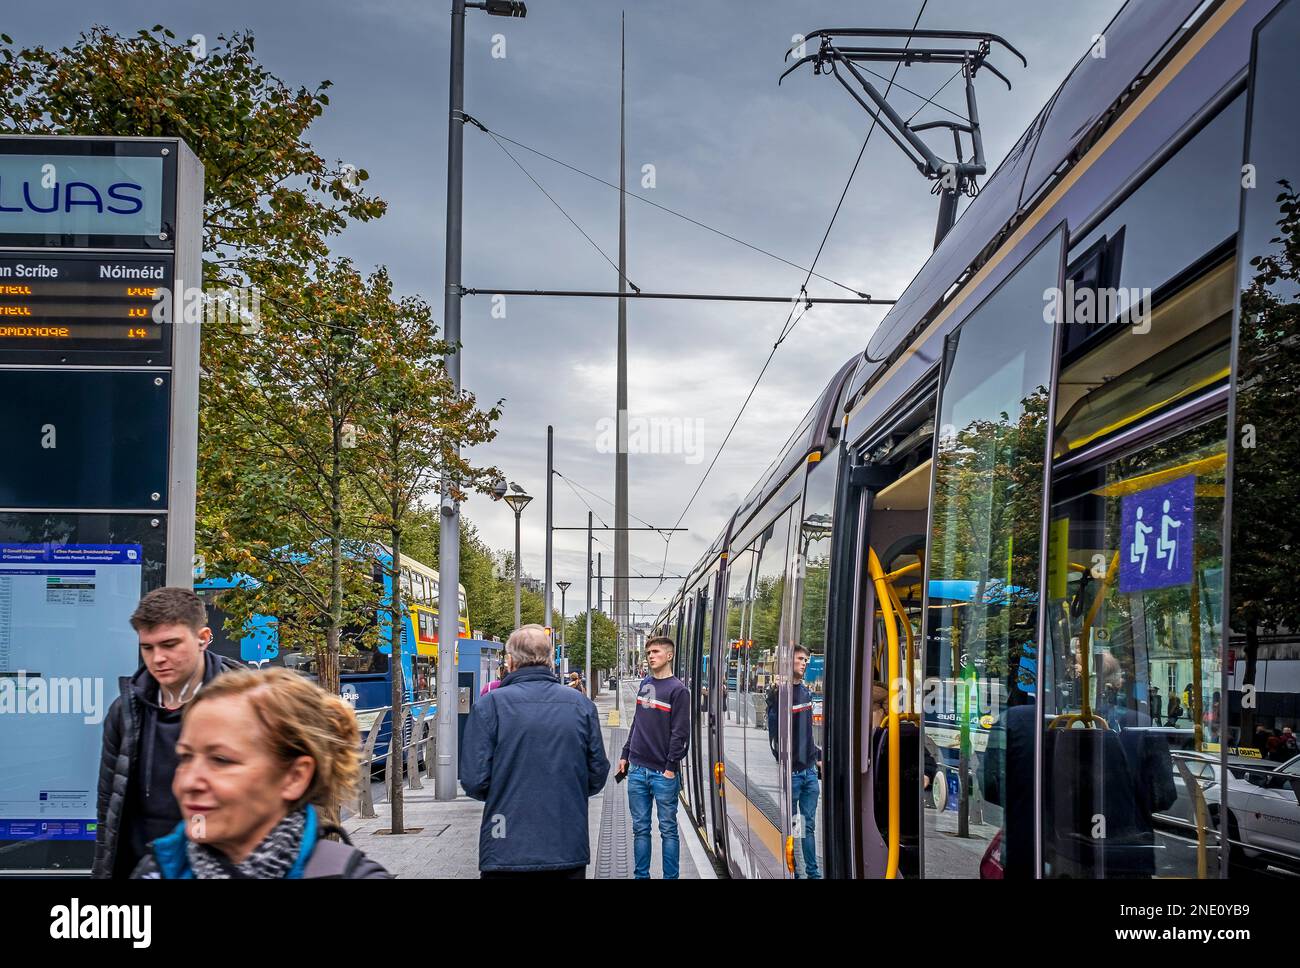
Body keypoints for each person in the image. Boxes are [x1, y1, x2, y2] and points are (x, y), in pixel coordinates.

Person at [131, 667, 388, 879]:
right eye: (185, 757)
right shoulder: (153, 871)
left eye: (221, 760)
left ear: (295, 777)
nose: (187, 782)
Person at [93, 587, 244, 879]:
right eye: (147, 648)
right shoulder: (125, 711)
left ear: (203, 639)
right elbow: (108, 808)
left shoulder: (247, 702)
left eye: (170, 644)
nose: (157, 658)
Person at [460, 625, 609, 877]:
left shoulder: (489, 706)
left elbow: (474, 780)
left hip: (504, 845)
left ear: (510, 660)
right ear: (550, 659)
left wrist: (506, 793)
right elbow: (597, 775)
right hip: (566, 842)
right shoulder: (581, 706)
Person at [617, 635, 690, 879]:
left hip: (662, 773)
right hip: (637, 768)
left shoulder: (678, 691)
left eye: (656, 652)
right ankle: (641, 876)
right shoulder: (645, 683)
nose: (651, 655)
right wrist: (626, 753)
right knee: (640, 830)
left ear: (669, 655)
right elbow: (638, 720)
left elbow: (680, 734)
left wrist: (670, 768)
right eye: (649, 652)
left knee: (668, 830)